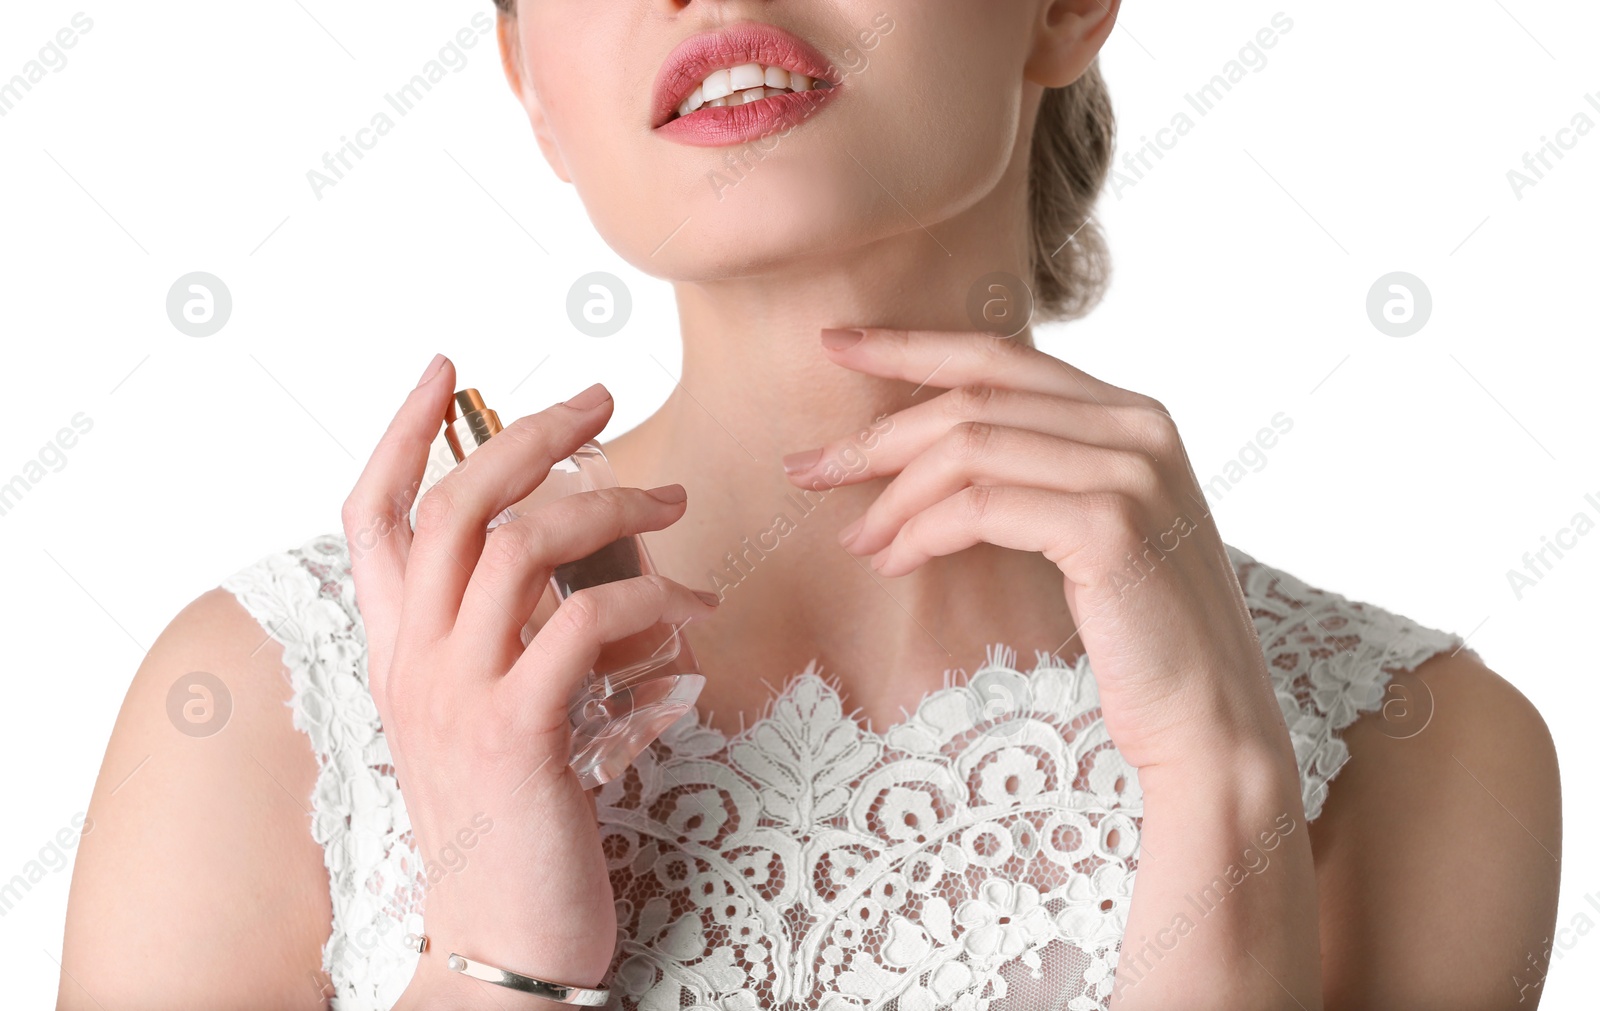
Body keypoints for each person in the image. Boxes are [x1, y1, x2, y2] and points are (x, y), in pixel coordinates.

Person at [58, 1, 1562, 1008]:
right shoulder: (267, 708)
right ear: (530, 83)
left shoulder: (1421, 755)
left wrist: (1225, 793)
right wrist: (498, 955)